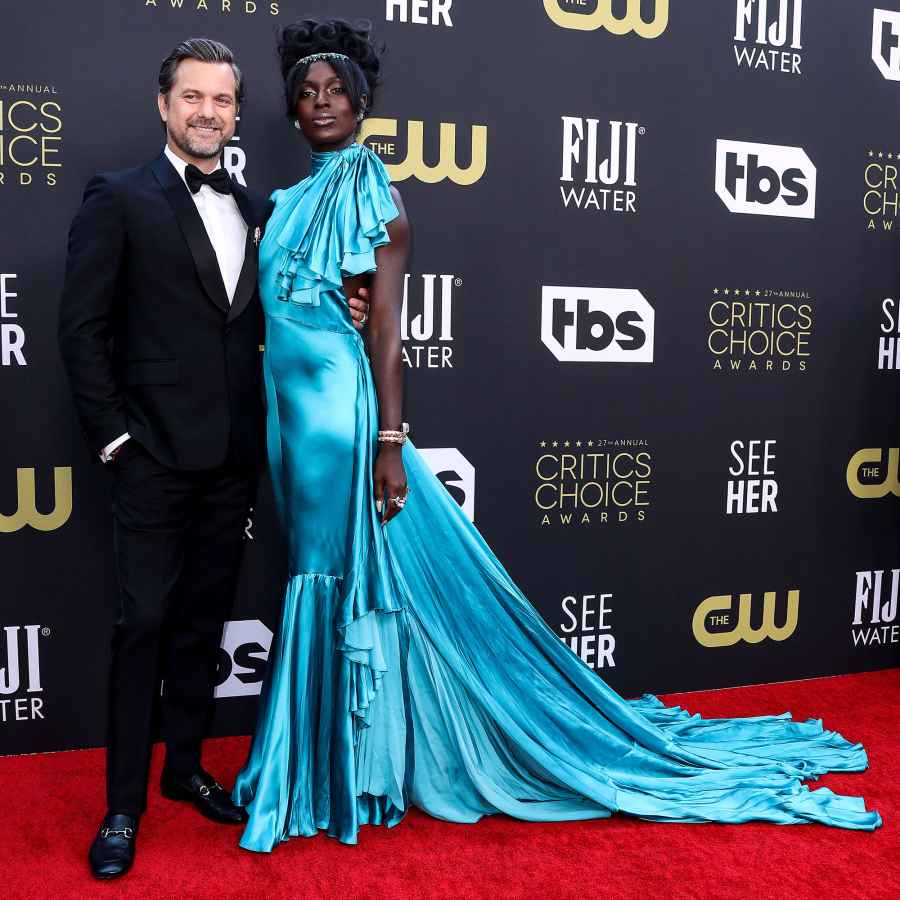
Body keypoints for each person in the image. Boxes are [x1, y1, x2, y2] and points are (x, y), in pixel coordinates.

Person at [233, 18, 882, 851]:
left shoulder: (378, 196)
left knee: (327, 577)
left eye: (338, 92)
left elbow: (385, 329)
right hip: (283, 419)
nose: (322, 103)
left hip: (336, 418)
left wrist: (391, 441)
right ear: (291, 110)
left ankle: (314, 771)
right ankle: (339, 754)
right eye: (308, 93)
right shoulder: (284, 202)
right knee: (316, 570)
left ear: (363, 106)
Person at [57, 37, 371, 879]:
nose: (206, 111)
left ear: (236, 113)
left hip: (235, 461)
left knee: (202, 624)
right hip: (151, 459)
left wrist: (357, 297)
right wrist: (116, 441)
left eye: (221, 100)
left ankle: (186, 768)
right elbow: (81, 331)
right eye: (191, 96)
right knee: (142, 628)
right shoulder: (119, 198)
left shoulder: (259, 208)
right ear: (164, 106)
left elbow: (305, 303)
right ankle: (122, 806)